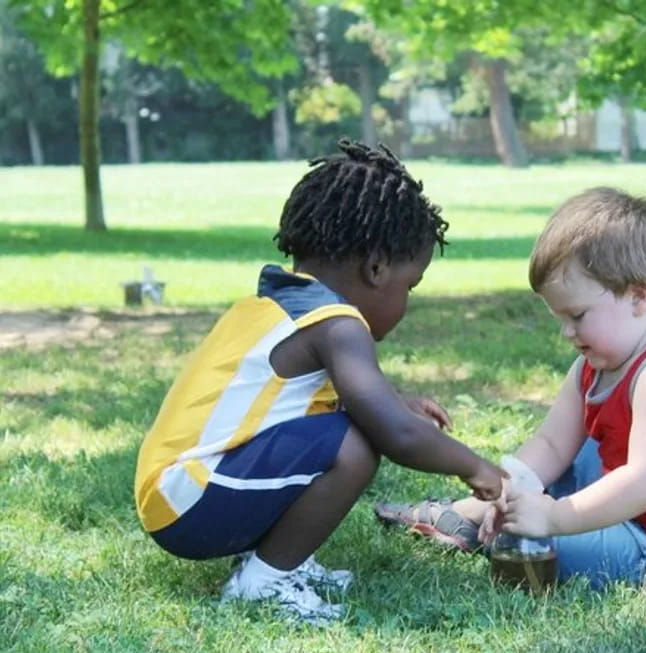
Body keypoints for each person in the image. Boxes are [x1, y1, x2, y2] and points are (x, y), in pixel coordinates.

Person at [134, 139, 505, 623]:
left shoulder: (276, 304)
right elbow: (396, 434)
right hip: (192, 502)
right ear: (376, 269)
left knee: (340, 429)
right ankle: (265, 583)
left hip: (176, 493)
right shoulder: (337, 324)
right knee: (354, 445)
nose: (406, 302)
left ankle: (278, 561)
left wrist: (394, 398)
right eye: (408, 287)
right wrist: (477, 468)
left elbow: (297, 402)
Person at [376, 187, 646, 589]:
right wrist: (509, 493)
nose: (566, 332)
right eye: (560, 317)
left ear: (639, 296)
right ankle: (471, 513)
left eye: (577, 315)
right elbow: (552, 446)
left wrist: (552, 518)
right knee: (557, 469)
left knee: (528, 539)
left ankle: (494, 524)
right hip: (630, 515)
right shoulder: (593, 365)